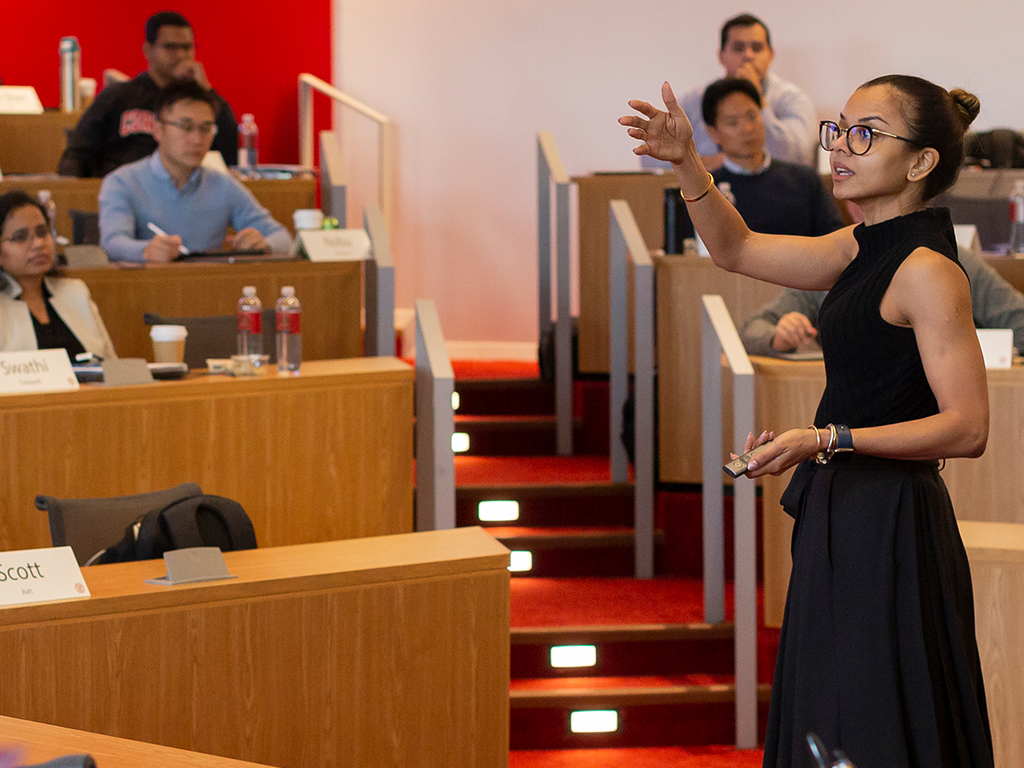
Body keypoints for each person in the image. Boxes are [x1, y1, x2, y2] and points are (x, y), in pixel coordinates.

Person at [621, 74, 994, 768]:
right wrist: (686, 162)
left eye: (865, 134)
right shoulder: (860, 245)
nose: (840, 148)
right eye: (838, 129)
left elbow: (969, 427)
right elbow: (734, 250)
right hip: (844, 508)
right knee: (833, 713)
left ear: (921, 163)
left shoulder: (926, 270)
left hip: (890, 522)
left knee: (873, 719)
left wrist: (825, 438)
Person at [99, 81, 291, 263]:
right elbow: (112, 243)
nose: (197, 139)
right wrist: (145, 250)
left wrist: (264, 244)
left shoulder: (223, 185)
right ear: (158, 129)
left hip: (209, 289)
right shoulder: (122, 182)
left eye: (205, 128)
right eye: (186, 126)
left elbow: (283, 238)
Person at [742, 247, 1024, 356]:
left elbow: (1018, 322)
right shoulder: (829, 265)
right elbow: (751, 330)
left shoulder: (952, 261)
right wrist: (777, 337)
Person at [58, 11, 238, 177]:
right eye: (170, 47)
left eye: (187, 47)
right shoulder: (119, 95)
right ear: (148, 50)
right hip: (122, 193)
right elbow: (77, 152)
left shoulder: (198, 104)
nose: (181, 55)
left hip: (183, 196)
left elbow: (229, 153)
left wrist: (205, 90)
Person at [669, 77, 842, 242]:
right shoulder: (706, 190)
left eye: (752, 116)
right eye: (733, 122)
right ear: (713, 132)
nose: (747, 128)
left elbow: (836, 240)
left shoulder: (804, 180)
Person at [645, 14, 817, 171]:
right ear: (721, 56)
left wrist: (757, 98)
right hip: (709, 191)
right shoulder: (694, 101)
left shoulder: (793, 99)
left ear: (770, 55)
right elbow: (652, 160)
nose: (748, 56)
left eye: (756, 48)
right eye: (738, 48)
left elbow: (799, 157)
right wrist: (699, 163)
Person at [0, 191, 117, 359]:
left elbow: (111, 364)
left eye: (42, 232)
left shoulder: (75, 292)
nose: (38, 244)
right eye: (20, 237)